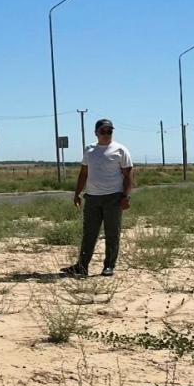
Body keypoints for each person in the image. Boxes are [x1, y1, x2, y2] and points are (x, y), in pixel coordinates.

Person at [62, 118, 133, 277]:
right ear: (96, 133)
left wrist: (126, 197)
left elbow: (128, 175)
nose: (107, 134)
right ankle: (82, 266)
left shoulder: (120, 150)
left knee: (112, 232)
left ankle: (109, 266)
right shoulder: (90, 150)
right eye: (103, 131)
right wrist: (77, 193)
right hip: (92, 197)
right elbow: (84, 173)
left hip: (113, 197)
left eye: (110, 131)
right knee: (89, 233)